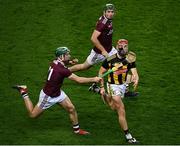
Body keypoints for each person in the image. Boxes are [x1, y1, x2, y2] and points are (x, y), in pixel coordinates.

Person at [12, 47, 101, 135]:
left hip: (58, 93)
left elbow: (62, 63)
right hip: (48, 96)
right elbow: (79, 80)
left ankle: (77, 130)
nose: (69, 56)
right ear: (61, 57)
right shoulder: (62, 70)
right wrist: (94, 79)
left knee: (71, 108)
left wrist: (70, 62)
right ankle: (23, 91)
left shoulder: (55, 62)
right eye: (67, 55)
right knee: (32, 115)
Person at [89, 39, 139, 143]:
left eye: (126, 46)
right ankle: (128, 136)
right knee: (121, 109)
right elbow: (101, 72)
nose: (125, 48)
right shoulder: (110, 59)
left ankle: (97, 90)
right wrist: (102, 86)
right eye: (123, 47)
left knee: (112, 107)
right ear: (118, 48)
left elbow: (134, 72)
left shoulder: (130, 58)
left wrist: (136, 77)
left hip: (123, 83)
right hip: (113, 86)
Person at [69, 3, 117, 72]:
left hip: (110, 51)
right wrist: (103, 50)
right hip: (99, 54)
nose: (110, 14)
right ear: (104, 12)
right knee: (84, 66)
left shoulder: (107, 19)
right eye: (108, 12)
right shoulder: (102, 24)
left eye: (112, 12)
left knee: (117, 65)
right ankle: (65, 71)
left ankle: (123, 79)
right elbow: (93, 38)